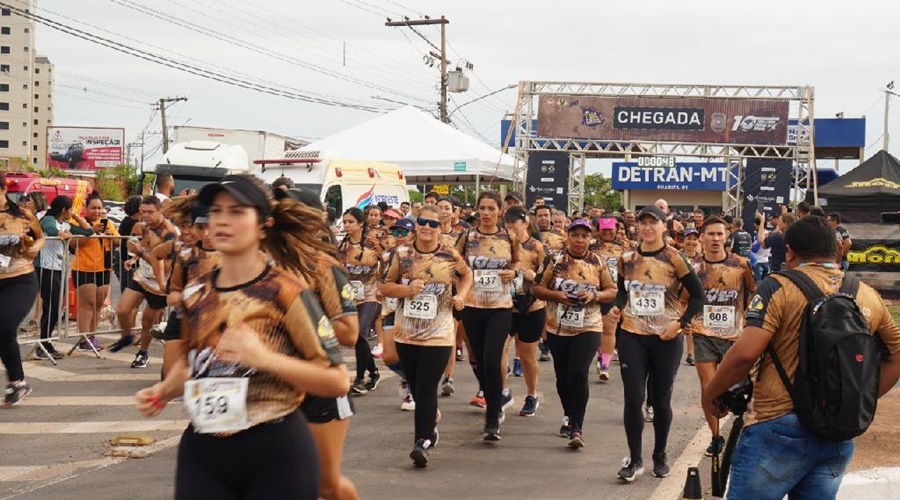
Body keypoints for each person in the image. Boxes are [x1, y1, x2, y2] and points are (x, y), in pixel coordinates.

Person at [135, 174, 349, 500]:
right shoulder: (197, 293)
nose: (222, 220)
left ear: (263, 225)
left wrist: (264, 358)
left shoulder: (287, 292)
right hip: (203, 447)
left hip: (275, 449)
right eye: (217, 211)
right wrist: (163, 390)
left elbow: (337, 381)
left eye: (237, 211)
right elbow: (194, 362)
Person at [701, 215, 900, 499]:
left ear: (790, 251)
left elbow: (745, 354)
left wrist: (711, 393)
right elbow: (896, 353)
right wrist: (861, 397)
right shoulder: (867, 295)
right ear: (837, 250)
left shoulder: (778, 286)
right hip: (837, 430)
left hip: (777, 425)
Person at [610, 205, 705, 483]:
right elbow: (621, 292)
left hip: (666, 338)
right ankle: (635, 459)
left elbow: (698, 297)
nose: (648, 227)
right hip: (631, 335)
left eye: (654, 223)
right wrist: (617, 307)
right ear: (636, 227)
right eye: (643, 223)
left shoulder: (675, 258)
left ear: (665, 226)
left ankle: (660, 455)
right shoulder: (626, 258)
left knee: (661, 399)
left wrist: (678, 324)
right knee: (634, 397)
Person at [382, 204, 473, 467]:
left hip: (440, 332)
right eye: (422, 222)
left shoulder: (449, 254)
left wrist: (461, 296)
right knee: (416, 385)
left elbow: (467, 277)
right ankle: (430, 421)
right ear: (416, 223)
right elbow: (385, 286)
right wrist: (406, 291)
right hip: (406, 333)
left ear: (440, 227)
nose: (427, 228)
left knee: (425, 386)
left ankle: (421, 442)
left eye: (433, 224)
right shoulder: (401, 255)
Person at [532, 218, 616, 447]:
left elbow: (611, 290)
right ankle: (569, 415)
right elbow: (536, 288)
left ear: (591, 238)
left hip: (589, 325)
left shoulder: (598, 262)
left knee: (579, 373)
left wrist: (595, 296)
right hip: (557, 325)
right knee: (563, 376)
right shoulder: (555, 259)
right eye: (575, 235)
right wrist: (556, 296)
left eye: (585, 236)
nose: (580, 240)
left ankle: (577, 427)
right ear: (567, 237)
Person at [684, 217, 755, 457]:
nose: (715, 239)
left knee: (741, 388)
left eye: (719, 234)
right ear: (701, 238)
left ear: (727, 237)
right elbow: (684, 298)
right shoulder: (692, 267)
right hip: (703, 334)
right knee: (708, 388)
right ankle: (716, 437)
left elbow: (752, 291)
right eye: (711, 234)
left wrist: (748, 320)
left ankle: (745, 432)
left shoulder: (741, 264)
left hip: (734, 337)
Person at [459, 190, 521, 441]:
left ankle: (492, 418)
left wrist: (512, 273)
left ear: (499, 211)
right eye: (482, 208)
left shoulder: (509, 236)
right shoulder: (467, 237)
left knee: (492, 359)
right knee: (479, 360)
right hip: (472, 306)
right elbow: (456, 264)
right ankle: (492, 393)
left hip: (500, 307)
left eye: (491, 209)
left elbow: (518, 262)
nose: (486, 213)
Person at [110, 196, 177, 370]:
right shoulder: (144, 227)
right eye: (143, 212)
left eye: (150, 212)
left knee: (148, 321)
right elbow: (144, 246)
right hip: (142, 276)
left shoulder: (169, 234)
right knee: (122, 309)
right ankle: (128, 335)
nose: (145, 215)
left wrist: (139, 254)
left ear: (160, 211)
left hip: (159, 282)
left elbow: (166, 264)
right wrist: (132, 259)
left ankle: (143, 353)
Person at [0, 173, 44, 404]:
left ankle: (17, 381)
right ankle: (17, 381)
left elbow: (40, 238)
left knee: (5, 326)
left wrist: (34, 247)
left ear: (3, 189)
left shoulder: (22, 215)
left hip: (20, 279)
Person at [36, 196, 93, 359]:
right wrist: (62, 234)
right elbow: (51, 229)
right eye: (70, 210)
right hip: (45, 269)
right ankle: (43, 344)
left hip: (59, 269)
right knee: (53, 307)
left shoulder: (67, 224)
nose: (71, 213)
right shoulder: (48, 219)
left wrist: (76, 217)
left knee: (53, 308)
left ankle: (45, 343)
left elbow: (88, 232)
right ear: (63, 210)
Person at [504, 206, 546, 417]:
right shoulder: (501, 245)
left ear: (525, 223)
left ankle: (532, 395)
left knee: (528, 357)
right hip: (505, 306)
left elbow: (548, 277)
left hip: (532, 306)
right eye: (507, 223)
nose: (510, 227)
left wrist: (533, 276)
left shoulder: (536, 247)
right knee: (499, 350)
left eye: (514, 223)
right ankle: (501, 392)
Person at [338, 207, 382, 395]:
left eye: (350, 222)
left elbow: (390, 263)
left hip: (372, 296)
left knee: (360, 332)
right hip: (351, 299)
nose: (346, 225)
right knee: (358, 337)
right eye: (345, 222)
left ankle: (359, 378)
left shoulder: (373, 245)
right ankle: (373, 372)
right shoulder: (340, 247)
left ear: (360, 224)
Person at [71, 193, 120, 352]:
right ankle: (84, 338)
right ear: (86, 208)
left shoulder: (107, 223)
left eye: (99, 208)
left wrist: (110, 236)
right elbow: (74, 243)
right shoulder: (77, 222)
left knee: (98, 304)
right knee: (87, 304)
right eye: (93, 208)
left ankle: (92, 336)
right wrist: (91, 231)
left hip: (104, 268)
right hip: (84, 267)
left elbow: (118, 241)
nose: (97, 211)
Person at [589, 217, 631, 382]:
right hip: (592, 292)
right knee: (594, 330)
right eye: (604, 229)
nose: (607, 232)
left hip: (614, 293)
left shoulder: (626, 247)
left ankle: (604, 364)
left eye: (610, 229)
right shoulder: (591, 246)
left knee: (609, 329)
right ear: (598, 229)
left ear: (617, 229)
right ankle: (600, 354)